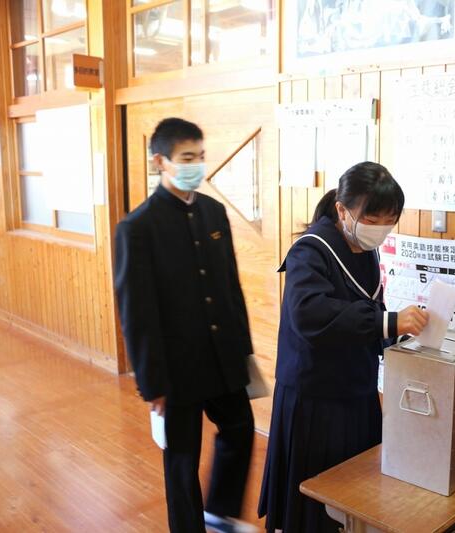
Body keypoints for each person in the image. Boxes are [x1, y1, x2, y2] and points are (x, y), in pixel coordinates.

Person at [258, 162, 429, 532]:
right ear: (342, 209)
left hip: (357, 392)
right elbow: (311, 315)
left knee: (357, 495)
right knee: (316, 504)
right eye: (372, 218)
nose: (380, 229)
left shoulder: (366, 249)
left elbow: (369, 314)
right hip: (314, 398)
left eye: (389, 221)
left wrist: (399, 335)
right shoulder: (310, 250)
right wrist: (389, 322)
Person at [115, 118, 257, 533]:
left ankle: (218, 513)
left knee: (241, 429)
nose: (196, 165)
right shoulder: (137, 227)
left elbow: (230, 286)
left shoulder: (213, 211)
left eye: (200, 156)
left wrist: (244, 350)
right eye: (187, 157)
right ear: (160, 161)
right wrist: (151, 383)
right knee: (181, 460)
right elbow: (136, 313)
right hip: (175, 369)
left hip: (223, 357)